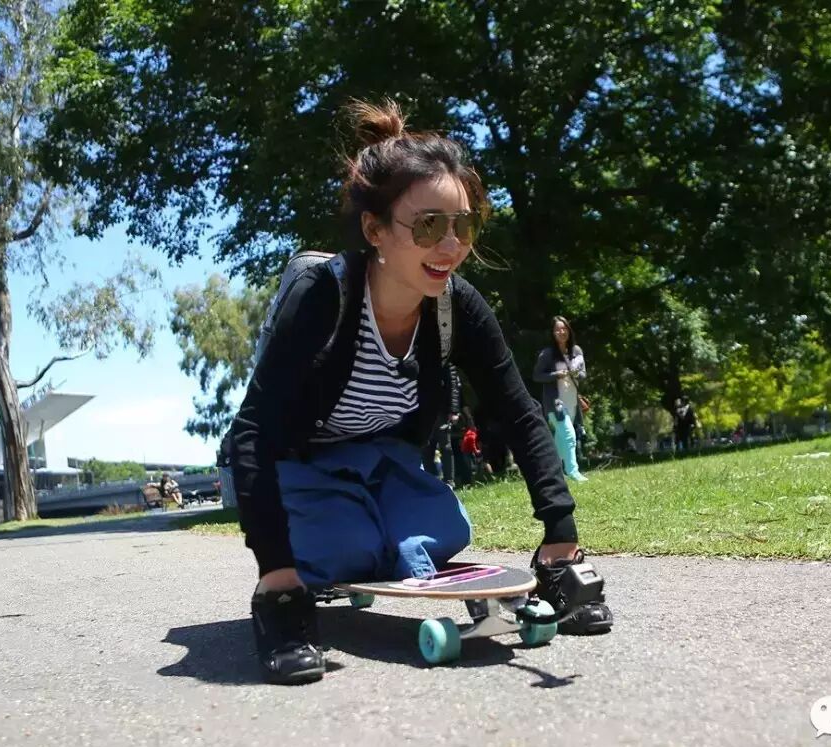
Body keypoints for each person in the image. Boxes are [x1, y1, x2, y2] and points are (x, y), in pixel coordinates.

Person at [226, 100, 612, 684]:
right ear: (375, 229)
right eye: (429, 225)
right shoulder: (321, 297)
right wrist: (277, 577)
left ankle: (365, 534)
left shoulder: (459, 306)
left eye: (465, 225)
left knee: (449, 529)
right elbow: (252, 431)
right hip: (301, 464)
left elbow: (517, 410)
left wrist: (559, 536)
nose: (451, 245)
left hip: (385, 461)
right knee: (351, 548)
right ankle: (333, 549)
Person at [533, 316, 588, 461]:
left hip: (572, 401)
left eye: (564, 328)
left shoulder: (576, 350)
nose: (561, 332)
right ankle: (572, 471)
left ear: (569, 331)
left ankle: (555, 466)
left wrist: (577, 373)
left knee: (560, 438)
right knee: (569, 435)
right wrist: (556, 375)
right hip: (555, 402)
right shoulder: (547, 354)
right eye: (557, 329)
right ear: (552, 333)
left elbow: (583, 374)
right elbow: (537, 376)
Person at [548, 399, 588, 482]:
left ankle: (555, 473)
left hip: (565, 407)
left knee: (560, 444)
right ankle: (572, 472)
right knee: (569, 437)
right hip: (558, 406)